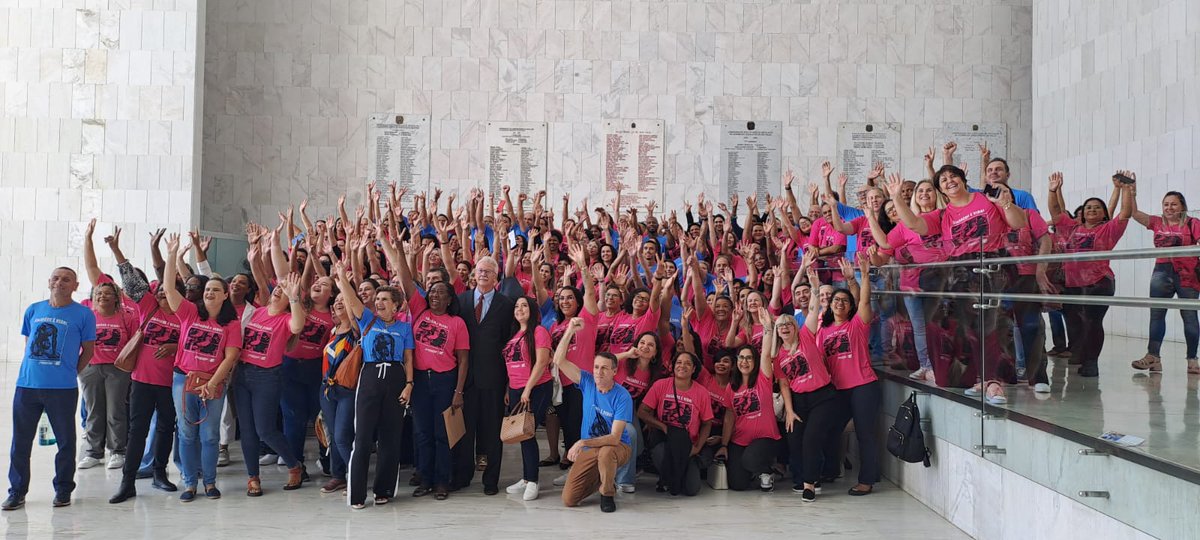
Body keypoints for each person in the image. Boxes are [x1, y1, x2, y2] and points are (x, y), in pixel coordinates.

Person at [3, 267, 97, 511]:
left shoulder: (84, 314)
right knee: (21, 442)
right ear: (49, 281)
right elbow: (28, 343)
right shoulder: (34, 309)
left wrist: (71, 371)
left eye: (66, 280)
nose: (60, 283)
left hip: (62, 389)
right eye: (55, 278)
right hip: (27, 386)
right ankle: (17, 491)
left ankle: (63, 488)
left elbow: (88, 350)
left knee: (65, 442)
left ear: (75, 286)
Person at [163, 234, 243, 502]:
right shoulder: (188, 312)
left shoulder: (231, 324)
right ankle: (189, 483)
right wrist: (172, 255)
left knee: (209, 436)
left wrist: (212, 383)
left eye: (215, 290)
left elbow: (230, 357)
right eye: (208, 289)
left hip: (213, 382)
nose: (209, 292)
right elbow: (169, 289)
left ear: (225, 296)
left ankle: (209, 482)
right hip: (182, 380)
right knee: (186, 433)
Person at [331, 261, 414, 509]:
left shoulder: (405, 327)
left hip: (396, 379)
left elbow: (408, 357)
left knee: (391, 437)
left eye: (385, 299)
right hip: (369, 378)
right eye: (377, 298)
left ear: (396, 305)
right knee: (363, 437)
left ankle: (384, 489)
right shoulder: (367, 319)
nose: (379, 302)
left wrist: (409, 384)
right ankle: (357, 494)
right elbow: (352, 300)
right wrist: (342, 278)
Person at [108, 235, 182, 503]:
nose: (162, 292)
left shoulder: (185, 314)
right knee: (137, 430)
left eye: (168, 290)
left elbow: (195, 343)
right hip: (142, 380)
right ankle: (127, 482)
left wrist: (174, 347)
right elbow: (130, 280)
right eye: (160, 289)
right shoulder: (148, 306)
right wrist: (117, 250)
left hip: (171, 383)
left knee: (165, 428)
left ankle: (160, 474)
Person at [1047, 171, 1134, 377]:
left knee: (1092, 322)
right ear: (1083, 213)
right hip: (1072, 283)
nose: (1092, 209)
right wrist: (1053, 190)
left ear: (1104, 213)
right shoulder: (1072, 229)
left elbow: (1125, 212)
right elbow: (1056, 211)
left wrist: (1126, 189)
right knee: (1074, 323)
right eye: (1088, 207)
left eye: (1097, 207)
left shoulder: (1108, 229)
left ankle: (1091, 361)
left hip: (1098, 282)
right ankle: (1080, 353)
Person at [807, 255, 880, 496]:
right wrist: (816, 291)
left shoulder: (857, 324)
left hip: (862, 386)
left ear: (850, 306)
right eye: (836, 300)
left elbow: (865, 300)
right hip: (836, 389)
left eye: (844, 301)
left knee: (864, 433)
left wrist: (860, 277)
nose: (839, 303)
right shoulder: (824, 330)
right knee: (827, 428)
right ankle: (828, 470)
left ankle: (867, 480)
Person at [234, 272, 308, 496]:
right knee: (247, 431)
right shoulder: (255, 313)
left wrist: (294, 297)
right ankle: (252, 477)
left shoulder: (286, 319)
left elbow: (297, 326)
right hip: (242, 374)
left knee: (265, 430)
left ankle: (294, 465)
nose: (279, 290)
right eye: (278, 288)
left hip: (267, 377)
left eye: (284, 290)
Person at [555, 318, 635, 513]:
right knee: (569, 499)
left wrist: (582, 442)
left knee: (607, 451)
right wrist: (569, 331)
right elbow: (558, 360)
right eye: (596, 367)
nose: (599, 372)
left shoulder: (622, 396)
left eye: (605, 368)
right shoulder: (587, 381)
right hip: (591, 448)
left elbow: (615, 437)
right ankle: (604, 477)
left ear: (614, 371)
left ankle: (607, 494)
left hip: (618, 447)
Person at [451, 256, 515, 495]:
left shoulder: (506, 305)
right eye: (480, 270)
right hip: (465, 379)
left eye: (488, 271)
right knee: (465, 432)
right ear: (473, 274)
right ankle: (462, 475)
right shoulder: (461, 300)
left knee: (491, 433)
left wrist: (508, 382)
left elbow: (510, 345)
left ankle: (491, 480)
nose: (483, 274)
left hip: (494, 380)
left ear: (496, 277)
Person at [407, 281, 469, 500]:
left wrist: (458, 391)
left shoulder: (457, 323)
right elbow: (406, 280)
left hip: (445, 380)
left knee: (442, 435)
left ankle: (442, 480)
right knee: (422, 433)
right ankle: (425, 479)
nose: (435, 295)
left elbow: (463, 360)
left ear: (450, 299)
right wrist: (396, 248)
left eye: (441, 293)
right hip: (420, 380)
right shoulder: (419, 312)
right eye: (432, 291)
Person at [1129, 189, 1200, 374]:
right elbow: (1134, 213)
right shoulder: (1157, 222)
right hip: (1161, 271)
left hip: (1187, 273)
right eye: (1166, 204)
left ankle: (1192, 360)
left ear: (1183, 206)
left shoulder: (1193, 223)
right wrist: (1132, 193)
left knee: (1190, 317)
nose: (1169, 208)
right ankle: (1153, 357)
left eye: (1173, 204)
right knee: (1157, 314)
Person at [639, 351, 713, 497]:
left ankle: (686, 468)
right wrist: (663, 426)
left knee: (691, 490)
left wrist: (697, 447)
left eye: (687, 363)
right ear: (673, 366)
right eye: (679, 362)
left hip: (687, 443)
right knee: (673, 477)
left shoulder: (702, 393)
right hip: (664, 439)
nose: (682, 366)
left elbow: (707, 423)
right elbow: (642, 412)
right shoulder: (661, 385)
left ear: (693, 369)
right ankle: (668, 478)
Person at [502, 296, 554, 501]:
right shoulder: (515, 334)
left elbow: (541, 363)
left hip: (536, 388)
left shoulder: (539, 331)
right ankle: (525, 478)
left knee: (529, 433)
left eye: (524, 305)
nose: (519, 309)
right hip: (516, 389)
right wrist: (509, 389)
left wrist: (527, 389)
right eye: (516, 306)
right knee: (523, 434)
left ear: (533, 310)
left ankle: (533, 481)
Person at [719, 340, 781, 492]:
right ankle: (753, 473)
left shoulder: (762, 378)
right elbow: (729, 417)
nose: (744, 361)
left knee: (750, 460)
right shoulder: (731, 386)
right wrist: (724, 445)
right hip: (740, 440)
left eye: (749, 358)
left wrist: (767, 328)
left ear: (755, 361)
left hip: (765, 438)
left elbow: (766, 354)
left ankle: (767, 471)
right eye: (741, 357)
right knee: (738, 485)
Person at [318, 294, 357, 494]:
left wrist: (343, 283)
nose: (339, 303)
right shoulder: (333, 331)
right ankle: (338, 476)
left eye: (345, 299)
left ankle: (356, 476)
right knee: (333, 436)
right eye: (337, 300)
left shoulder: (356, 330)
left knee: (342, 436)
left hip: (347, 390)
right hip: (327, 389)